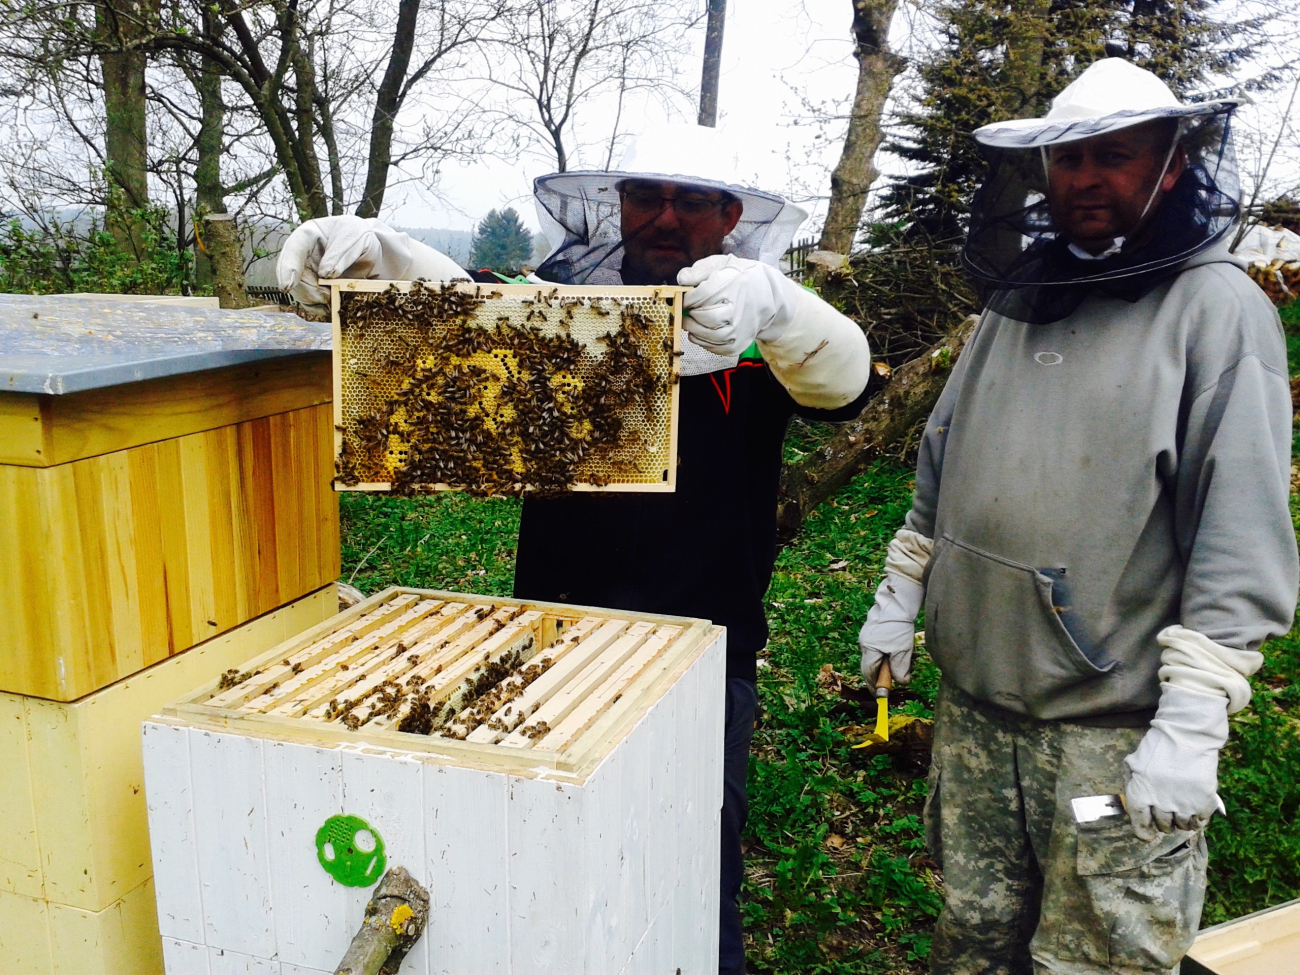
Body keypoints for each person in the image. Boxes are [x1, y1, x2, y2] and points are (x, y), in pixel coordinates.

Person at [278, 122, 875, 975]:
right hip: (556, 639)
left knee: (696, 882)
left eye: (692, 201)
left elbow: (846, 381)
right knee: (553, 863)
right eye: (647, 196)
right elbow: (456, 305)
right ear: (615, 204)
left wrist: (780, 307)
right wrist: (381, 253)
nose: (666, 218)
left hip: (707, 652)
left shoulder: (760, 336)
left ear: (731, 215)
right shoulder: (557, 307)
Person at [855, 57, 1299, 975]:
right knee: (974, 936)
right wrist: (904, 587)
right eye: (1068, 161)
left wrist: (1192, 723)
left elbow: (1239, 532)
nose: (1085, 180)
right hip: (977, 715)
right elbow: (946, 463)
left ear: (1171, 165)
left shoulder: (1217, 311)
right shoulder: (1020, 298)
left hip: (1109, 749)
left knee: (1093, 956)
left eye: (1115, 157)